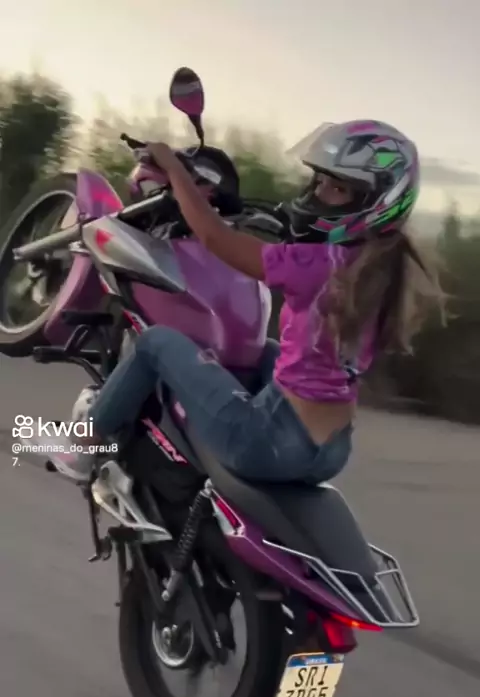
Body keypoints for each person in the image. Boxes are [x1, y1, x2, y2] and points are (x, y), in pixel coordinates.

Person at [30, 119, 445, 484]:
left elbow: (215, 238)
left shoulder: (317, 265)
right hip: (330, 450)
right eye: (320, 180)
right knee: (266, 350)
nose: (318, 192)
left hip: (268, 444)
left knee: (157, 342)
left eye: (337, 188)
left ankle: (82, 449)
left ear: (373, 204)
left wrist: (175, 170)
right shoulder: (379, 268)